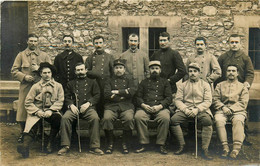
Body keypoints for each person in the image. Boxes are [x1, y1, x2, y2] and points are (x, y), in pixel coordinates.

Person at [17, 62, 64, 158]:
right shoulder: (36, 86)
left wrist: (51, 110)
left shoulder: (58, 86)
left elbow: (60, 101)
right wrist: (37, 111)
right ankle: (25, 147)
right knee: (31, 125)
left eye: (49, 72)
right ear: (41, 74)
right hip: (37, 111)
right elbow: (28, 102)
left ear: (51, 73)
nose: (47, 75)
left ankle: (50, 143)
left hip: (52, 112)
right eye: (44, 73)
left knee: (58, 120)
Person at [11, 34, 51, 143]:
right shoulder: (21, 55)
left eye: (35, 41)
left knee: (40, 107)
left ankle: (40, 132)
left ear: (38, 42)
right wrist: (24, 76)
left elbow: (51, 70)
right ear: (27, 42)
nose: (33, 43)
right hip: (26, 87)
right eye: (31, 41)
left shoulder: (44, 55)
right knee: (23, 110)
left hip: (41, 88)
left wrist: (39, 69)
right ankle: (24, 133)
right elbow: (14, 71)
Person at [216, 34, 254, 146]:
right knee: (222, 114)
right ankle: (225, 137)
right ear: (228, 43)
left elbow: (250, 73)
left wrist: (247, 83)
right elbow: (218, 73)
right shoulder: (223, 57)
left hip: (240, 89)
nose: (234, 44)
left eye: (236, 42)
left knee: (241, 113)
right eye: (232, 42)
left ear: (240, 43)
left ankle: (243, 137)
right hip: (225, 88)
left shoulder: (245, 58)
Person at [57, 63, 104, 155]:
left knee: (95, 118)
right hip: (74, 108)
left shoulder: (92, 82)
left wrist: (88, 103)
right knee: (65, 118)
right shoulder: (71, 83)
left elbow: (97, 95)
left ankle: (95, 146)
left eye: (82, 70)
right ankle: (65, 145)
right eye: (78, 70)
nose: (80, 72)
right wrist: (71, 105)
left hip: (88, 108)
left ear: (86, 70)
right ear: (75, 72)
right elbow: (66, 96)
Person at [170, 63, 213, 160]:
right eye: (190, 71)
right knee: (173, 120)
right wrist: (185, 109)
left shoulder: (205, 85)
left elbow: (208, 101)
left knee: (207, 121)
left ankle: (205, 148)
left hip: (201, 110)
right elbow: (178, 100)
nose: (192, 73)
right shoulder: (182, 85)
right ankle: (182, 145)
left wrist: (197, 109)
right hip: (186, 109)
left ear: (199, 73)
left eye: (195, 71)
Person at [134, 61, 172, 154]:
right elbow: (137, 97)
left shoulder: (165, 82)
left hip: (160, 108)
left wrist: (160, 106)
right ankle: (144, 143)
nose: (154, 70)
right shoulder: (143, 82)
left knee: (165, 117)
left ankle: (161, 144)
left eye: (156, 68)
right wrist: (143, 105)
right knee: (138, 117)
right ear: (149, 70)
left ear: (160, 70)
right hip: (145, 107)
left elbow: (169, 98)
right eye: (152, 68)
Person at [213, 64, 249, 159]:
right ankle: (225, 147)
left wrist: (232, 109)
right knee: (218, 120)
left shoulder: (242, 86)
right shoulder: (219, 85)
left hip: (238, 111)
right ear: (226, 73)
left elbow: (243, 102)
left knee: (238, 120)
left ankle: (235, 149)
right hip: (222, 110)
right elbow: (215, 99)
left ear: (237, 73)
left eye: (233, 71)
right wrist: (223, 107)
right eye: (229, 71)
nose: (231, 73)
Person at [102, 58, 136, 154]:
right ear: (113, 69)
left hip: (126, 106)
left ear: (124, 69)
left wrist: (117, 92)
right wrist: (123, 95)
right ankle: (110, 143)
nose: (118, 70)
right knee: (107, 118)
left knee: (129, 119)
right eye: (116, 68)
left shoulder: (130, 79)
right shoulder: (109, 80)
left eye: (121, 67)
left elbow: (132, 91)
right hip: (111, 106)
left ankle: (125, 143)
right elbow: (107, 94)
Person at [85, 35, 114, 117]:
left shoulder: (109, 57)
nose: (98, 45)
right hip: (94, 85)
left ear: (104, 44)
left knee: (106, 104)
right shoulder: (90, 58)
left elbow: (113, 72)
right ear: (93, 44)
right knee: (96, 104)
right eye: (96, 43)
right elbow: (86, 72)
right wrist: (94, 73)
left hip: (106, 84)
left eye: (100, 43)